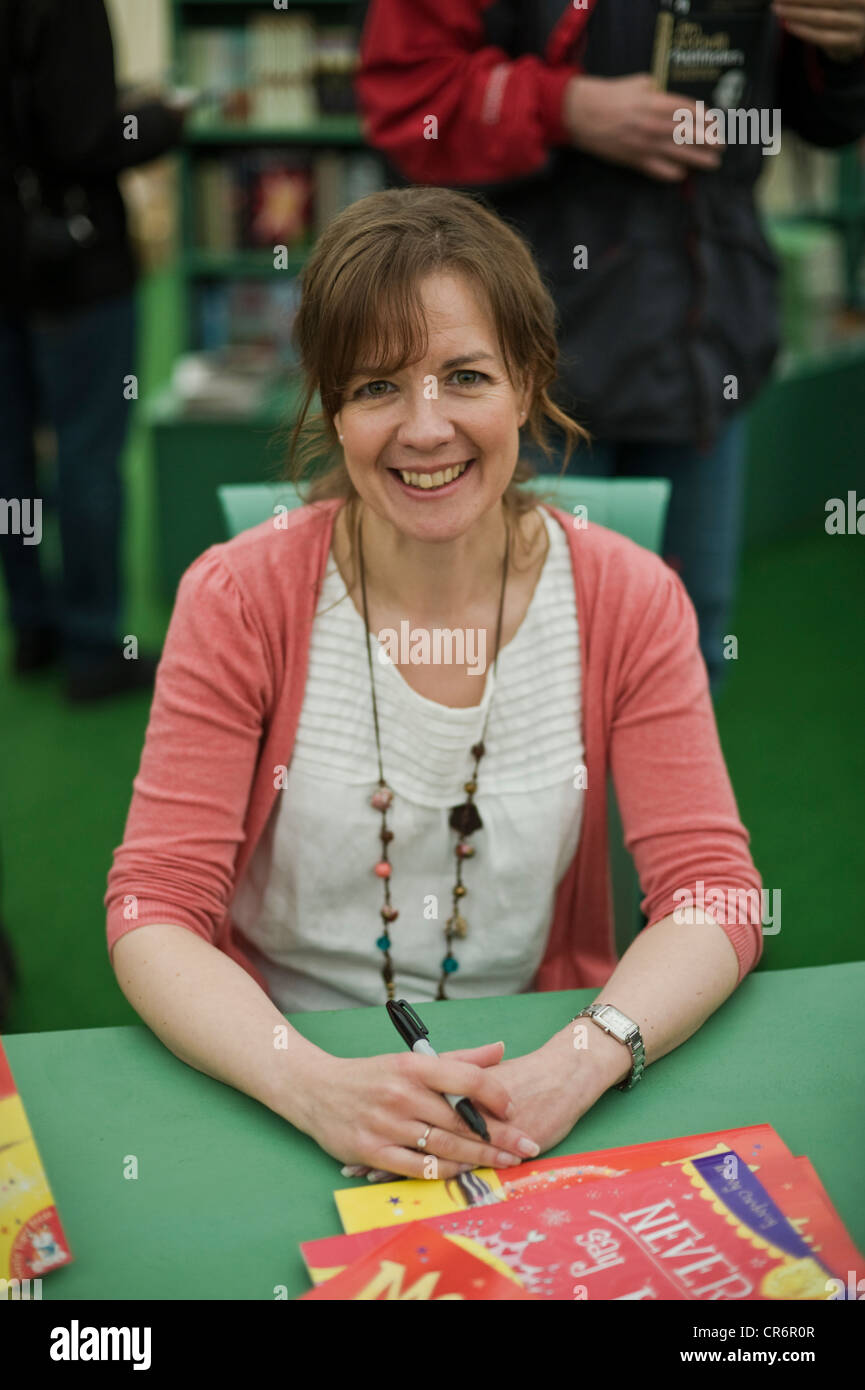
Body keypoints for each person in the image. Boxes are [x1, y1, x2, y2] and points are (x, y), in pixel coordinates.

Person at [106, 187, 763, 1183]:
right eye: (376, 387)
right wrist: (311, 1081)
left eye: (464, 376)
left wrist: (576, 1062)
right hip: (273, 1070)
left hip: (529, 1079)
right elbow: (153, 907)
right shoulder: (239, 597)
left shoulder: (630, 599)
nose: (425, 428)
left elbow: (714, 892)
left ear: (527, 382)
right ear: (330, 404)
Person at [354, 0, 865, 690]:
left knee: (682, 654)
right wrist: (563, 106)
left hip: (701, 352)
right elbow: (408, 104)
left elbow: (816, 116)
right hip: (526, 369)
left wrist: (842, 53)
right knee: (522, 665)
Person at [0, 0, 187, 700]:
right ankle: (90, 645)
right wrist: (161, 119)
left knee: (11, 460)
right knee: (86, 454)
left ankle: (33, 624)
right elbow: (79, 138)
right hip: (71, 269)